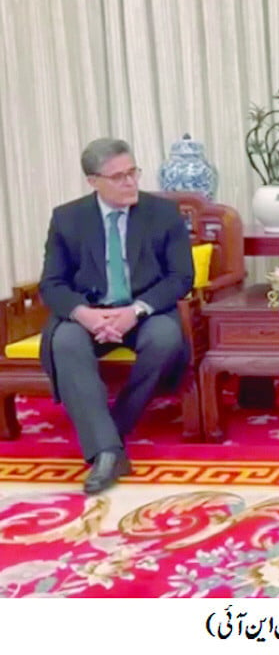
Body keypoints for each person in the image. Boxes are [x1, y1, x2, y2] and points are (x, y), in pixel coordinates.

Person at [39, 138, 194, 494]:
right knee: (65, 340)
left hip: (143, 311)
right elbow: (52, 283)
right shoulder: (68, 218)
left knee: (165, 338)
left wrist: (136, 311)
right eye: (119, 177)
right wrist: (85, 315)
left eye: (133, 172)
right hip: (90, 313)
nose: (130, 183)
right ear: (94, 181)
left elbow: (181, 278)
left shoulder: (163, 213)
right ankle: (108, 451)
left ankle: (110, 430)